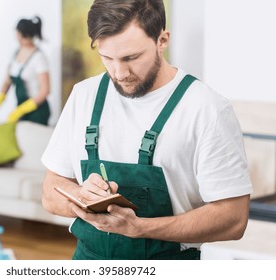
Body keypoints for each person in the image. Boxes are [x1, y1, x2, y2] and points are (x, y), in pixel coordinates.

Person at [41, 0, 253, 260]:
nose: (119, 73)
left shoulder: (206, 108)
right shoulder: (84, 95)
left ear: (162, 40)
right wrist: (81, 196)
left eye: (131, 58)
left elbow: (233, 219)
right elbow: (50, 192)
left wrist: (139, 228)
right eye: (107, 58)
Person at [0, 16, 51, 126]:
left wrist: (22, 109)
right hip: (21, 109)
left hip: (37, 112)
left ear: (25, 35)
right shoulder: (15, 53)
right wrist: (0, 99)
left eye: (19, 35)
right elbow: (7, 81)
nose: (17, 37)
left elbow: (45, 91)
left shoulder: (39, 57)